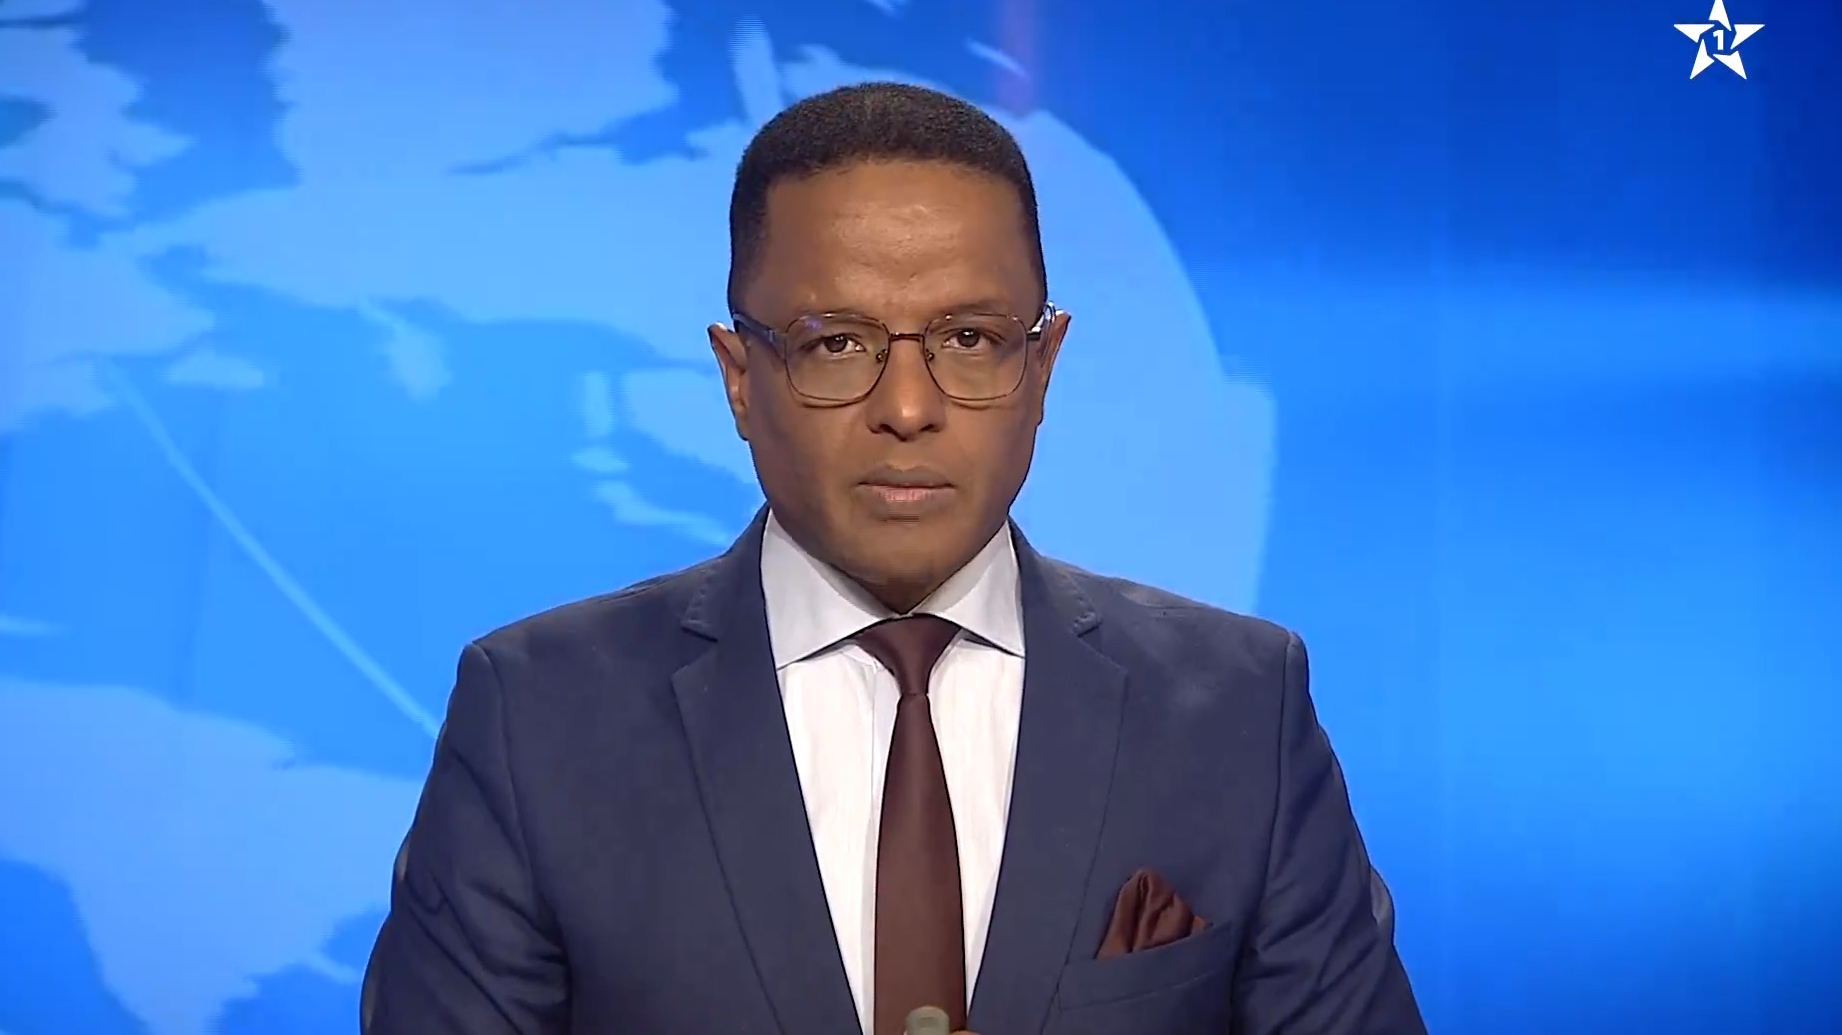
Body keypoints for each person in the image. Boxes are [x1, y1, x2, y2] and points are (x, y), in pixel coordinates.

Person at [364, 81, 1425, 1035]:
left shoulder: (1239, 709)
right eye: (835, 343)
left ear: (1043, 366)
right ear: (739, 377)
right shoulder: (538, 718)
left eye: (970, 340)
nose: (908, 408)